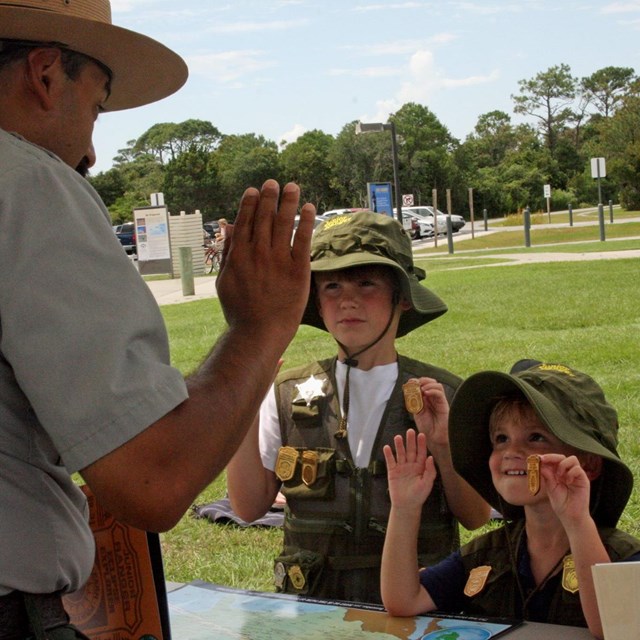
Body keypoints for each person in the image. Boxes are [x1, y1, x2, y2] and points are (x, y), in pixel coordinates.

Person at [0, 1, 315, 637]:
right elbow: (152, 478)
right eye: (96, 106)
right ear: (45, 73)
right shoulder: (26, 183)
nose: (90, 152)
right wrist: (258, 329)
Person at [227, 211, 490, 604]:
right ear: (314, 298)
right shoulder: (284, 392)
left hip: (415, 604)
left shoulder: (442, 395)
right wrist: (244, 408)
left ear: (402, 298)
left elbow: (475, 516)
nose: (347, 300)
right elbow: (248, 507)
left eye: (367, 282)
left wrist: (443, 446)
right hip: (316, 609)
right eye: (331, 285)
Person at [381, 360, 640, 638]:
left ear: (587, 465)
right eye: (501, 438)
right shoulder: (489, 554)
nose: (511, 451)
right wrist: (405, 509)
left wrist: (576, 520)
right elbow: (404, 600)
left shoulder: (624, 560)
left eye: (536, 437)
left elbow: (613, 628)